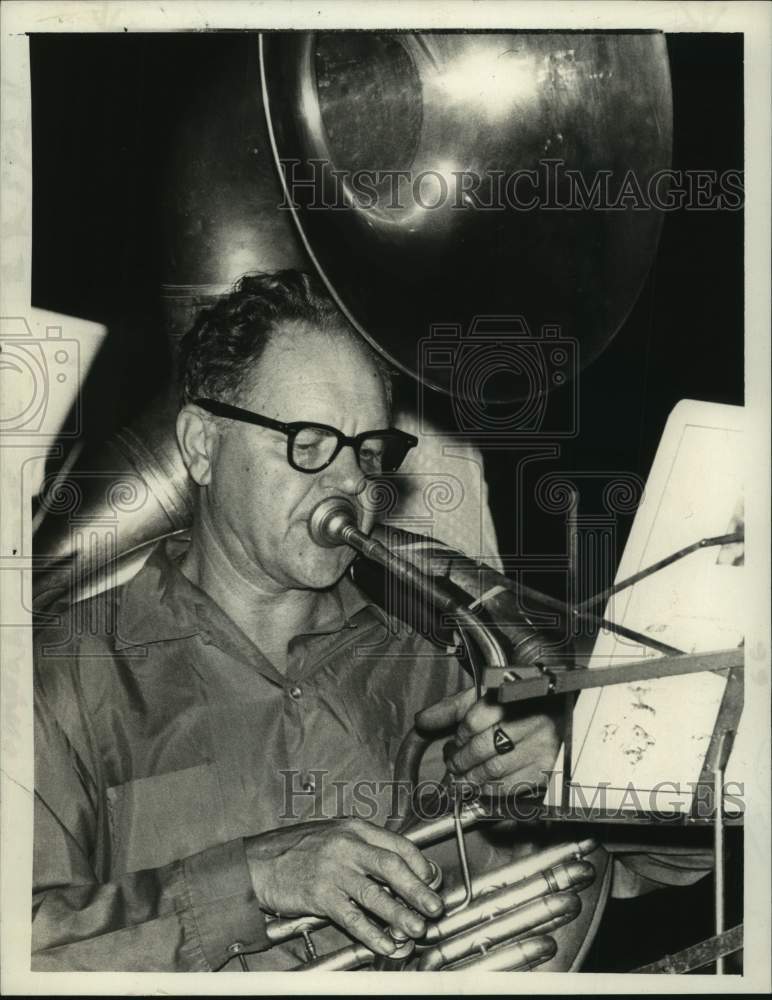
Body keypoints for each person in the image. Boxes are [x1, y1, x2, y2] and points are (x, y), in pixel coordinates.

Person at [32, 270, 561, 971]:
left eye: (367, 451)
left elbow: (590, 890)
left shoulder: (432, 673)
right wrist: (251, 877)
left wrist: (559, 781)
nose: (348, 482)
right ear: (200, 445)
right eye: (308, 442)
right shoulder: (64, 675)